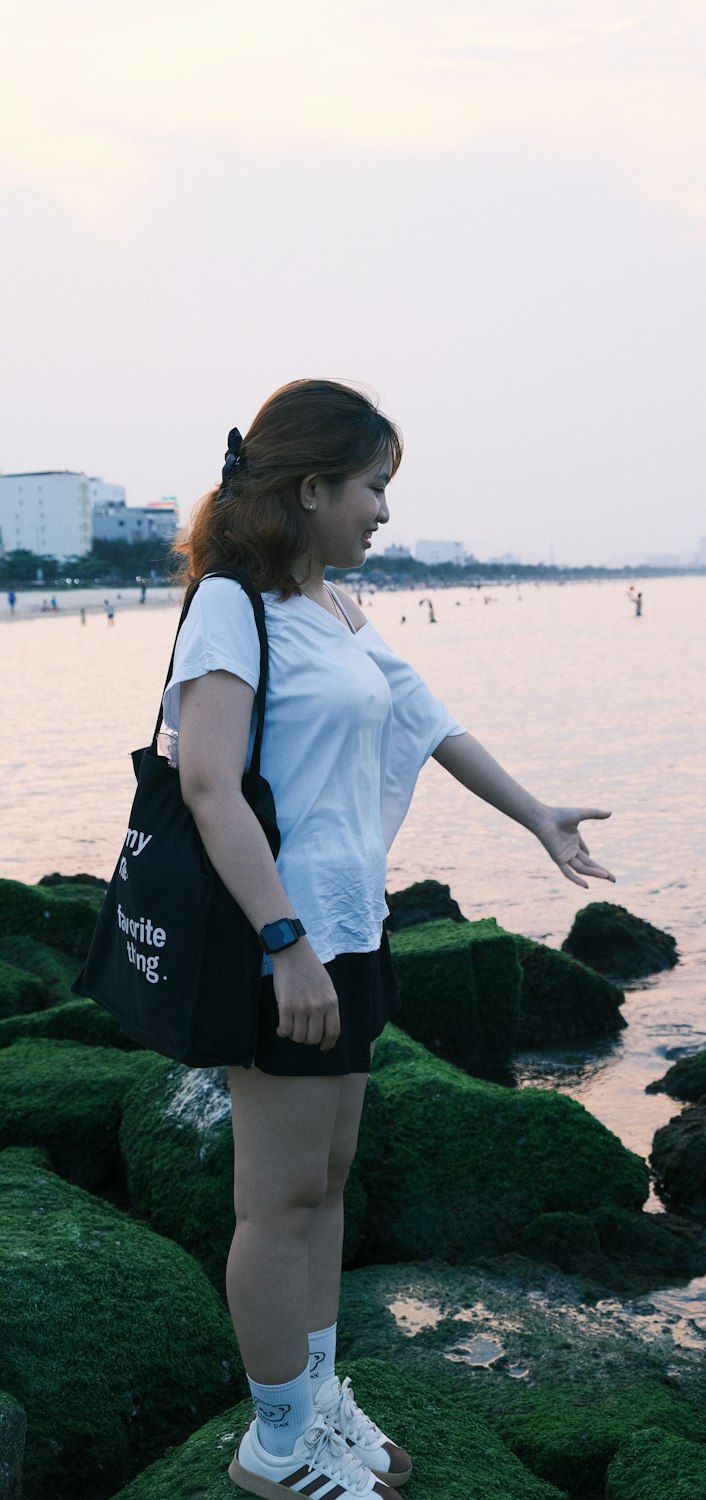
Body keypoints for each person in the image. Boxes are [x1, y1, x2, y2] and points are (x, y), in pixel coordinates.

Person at [161, 380, 614, 1500]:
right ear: (311, 487)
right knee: (274, 1203)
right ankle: (276, 1445)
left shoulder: (331, 609)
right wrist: (283, 943)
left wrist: (536, 815)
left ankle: (316, 1405)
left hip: (351, 937)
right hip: (282, 946)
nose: (383, 513)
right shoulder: (230, 606)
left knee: (326, 1181)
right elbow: (209, 786)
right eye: (372, 487)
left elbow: (426, 717)